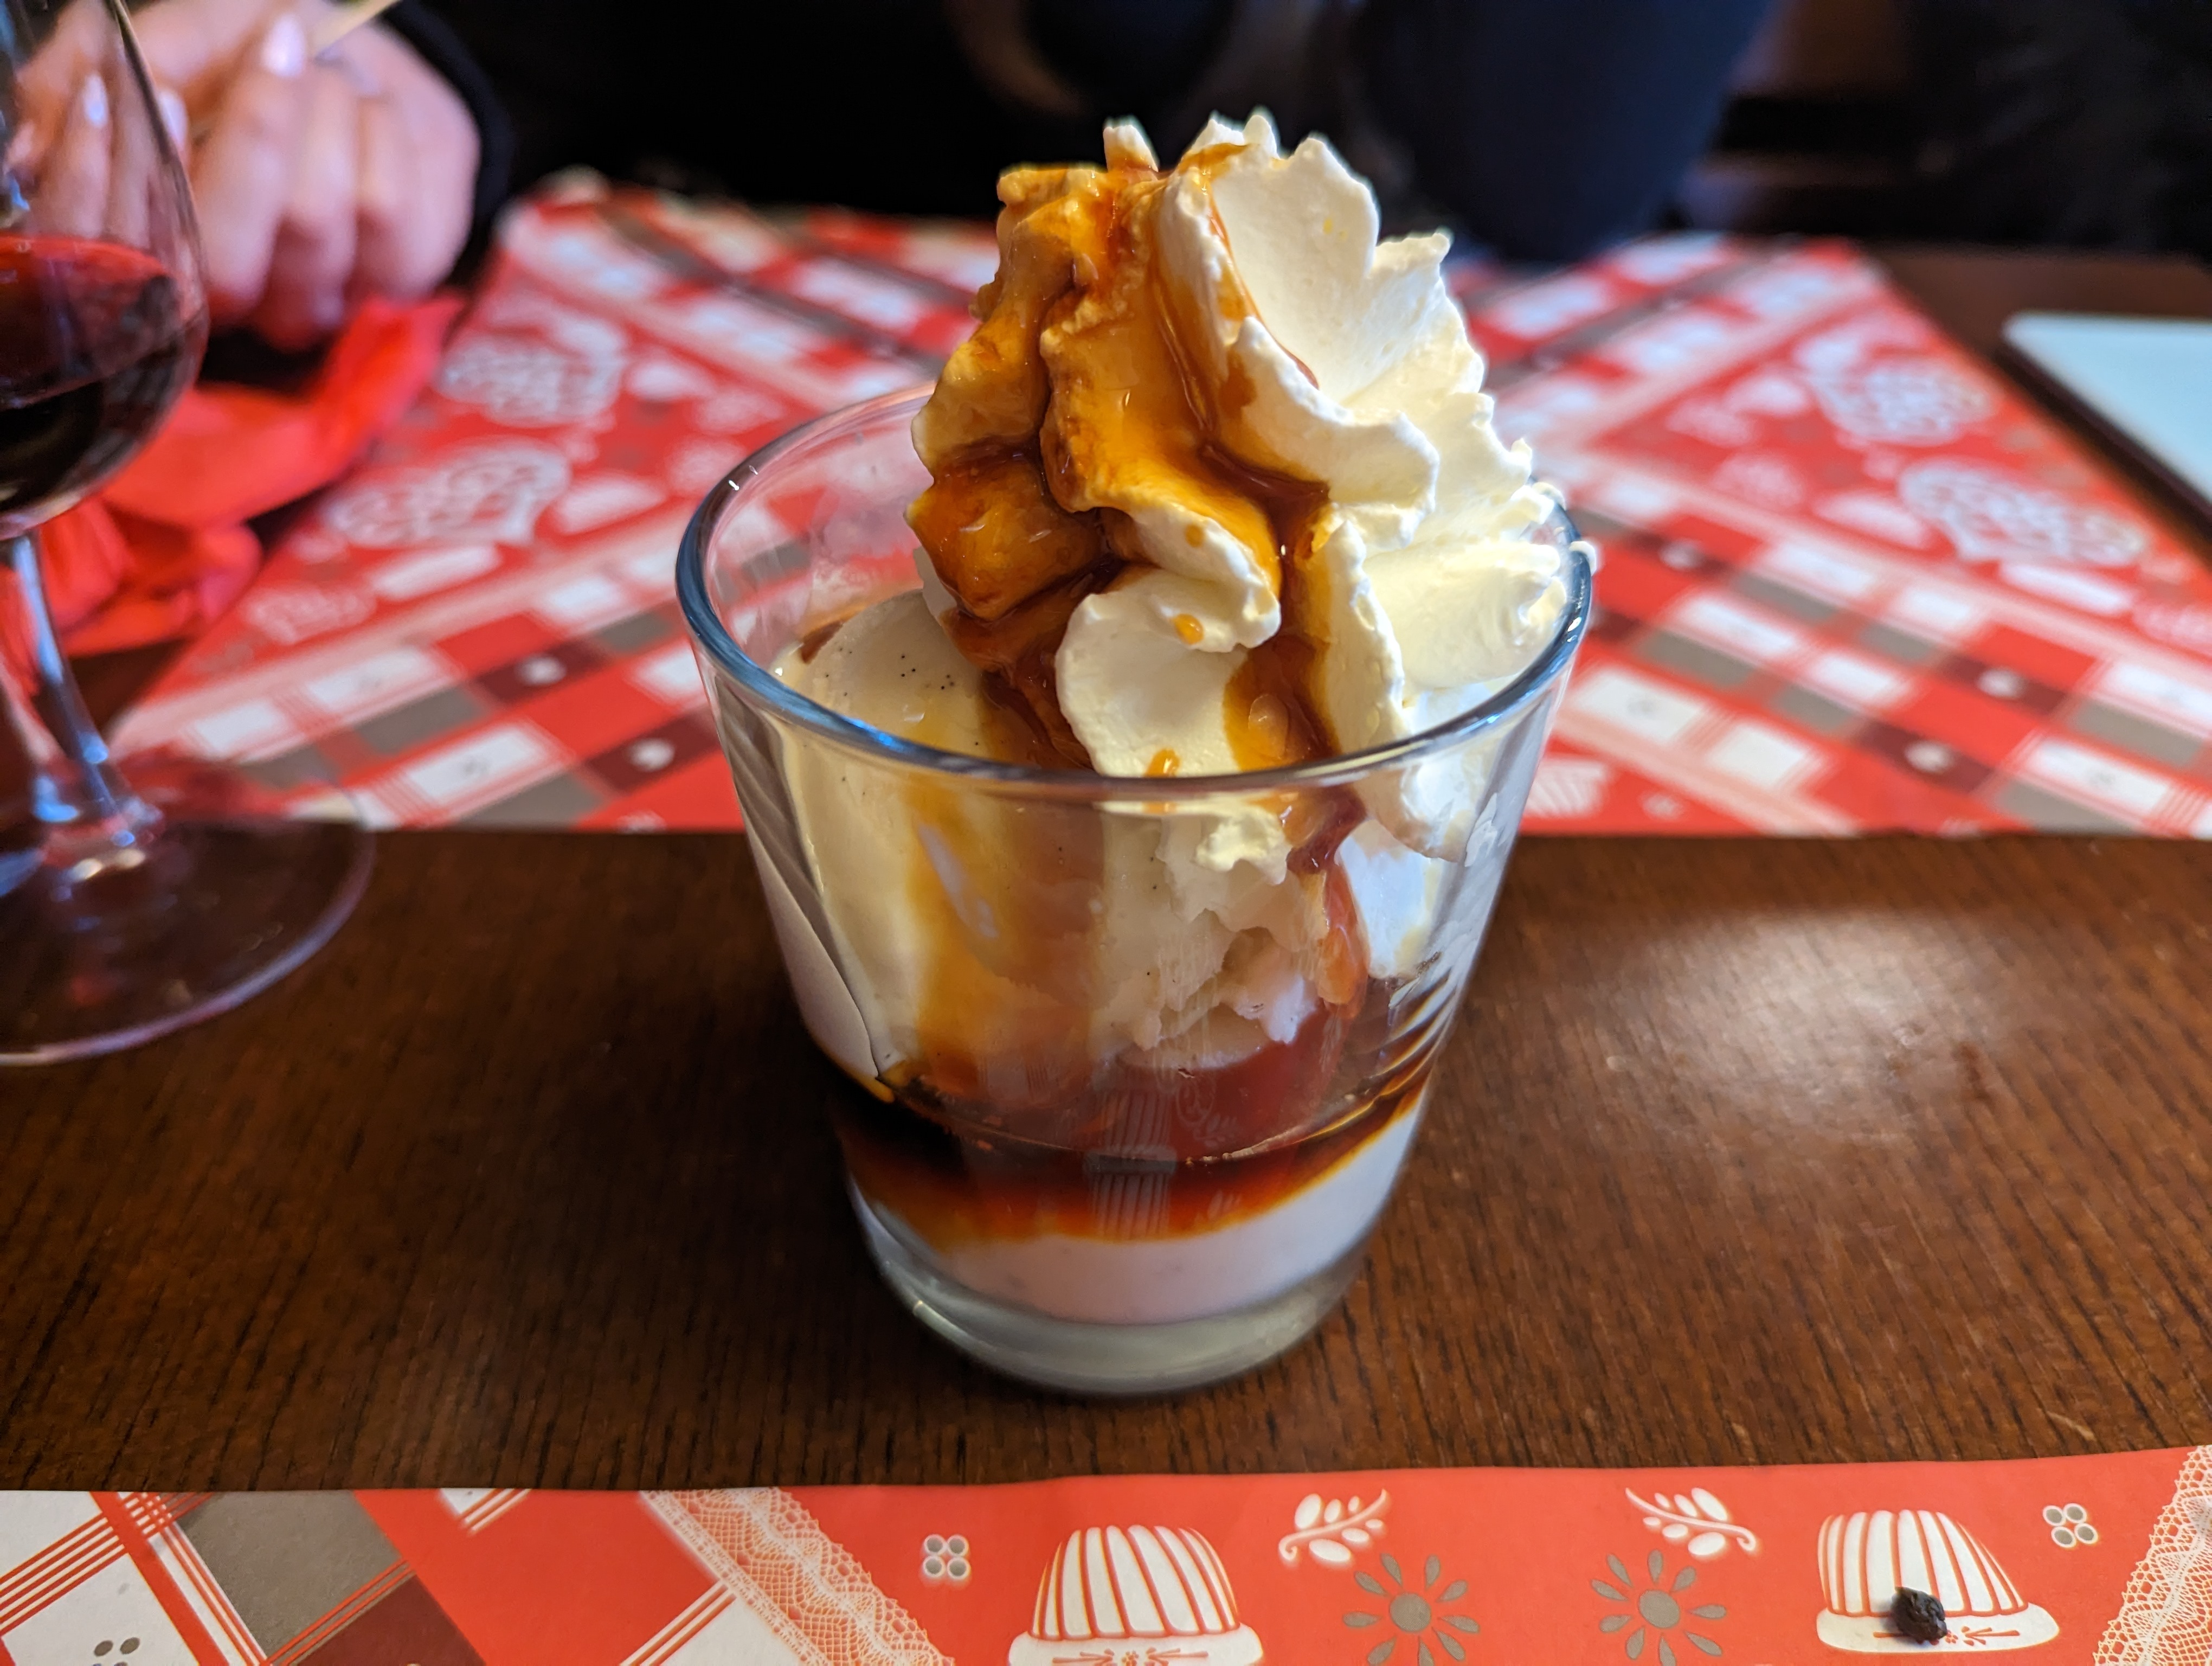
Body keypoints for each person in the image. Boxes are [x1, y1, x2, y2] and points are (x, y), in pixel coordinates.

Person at [75, 0, 1778, 349]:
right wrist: (412, 79)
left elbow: (1554, 170)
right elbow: (546, 48)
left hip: (1487, 364)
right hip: (755, 406)